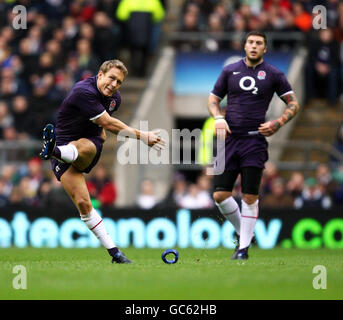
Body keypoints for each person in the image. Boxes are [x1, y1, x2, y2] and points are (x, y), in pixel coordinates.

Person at [39, 59, 165, 264]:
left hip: (88, 143)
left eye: (119, 82)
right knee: (83, 204)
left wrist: (103, 135)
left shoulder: (115, 99)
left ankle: (54, 150)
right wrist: (143, 135)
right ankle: (115, 253)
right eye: (111, 78)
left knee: (85, 146)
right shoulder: (83, 91)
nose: (114, 85)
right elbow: (107, 122)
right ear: (100, 75)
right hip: (63, 144)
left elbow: (104, 124)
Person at [208, 31, 300, 260]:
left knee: (249, 197)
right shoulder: (230, 71)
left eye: (259, 43)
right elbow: (213, 100)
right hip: (226, 140)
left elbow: (293, 104)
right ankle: (244, 234)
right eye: (251, 42)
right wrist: (218, 117)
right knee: (220, 195)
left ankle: (243, 249)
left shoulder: (274, 74)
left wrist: (278, 123)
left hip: (254, 140)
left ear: (265, 49)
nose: (254, 46)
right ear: (245, 45)